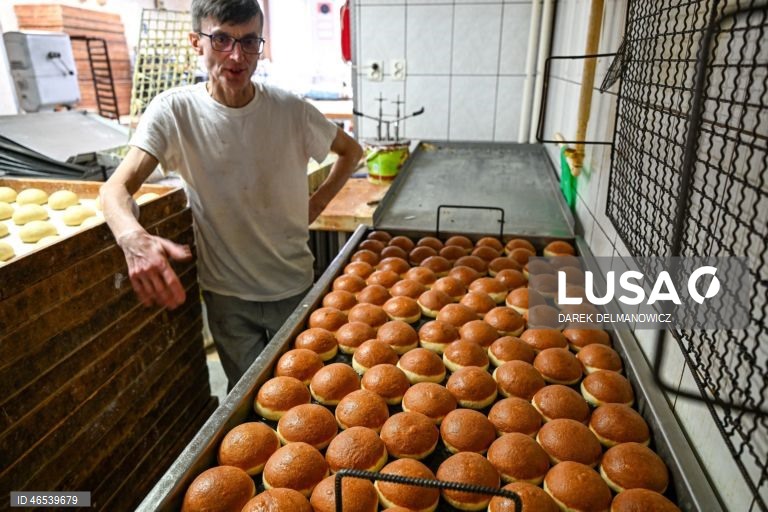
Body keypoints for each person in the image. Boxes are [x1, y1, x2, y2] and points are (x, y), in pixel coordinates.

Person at [101, 0, 363, 390]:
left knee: (309, 393)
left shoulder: (290, 111)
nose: (237, 56)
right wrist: (132, 237)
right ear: (196, 42)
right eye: (222, 39)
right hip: (227, 297)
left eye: (249, 41)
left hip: (293, 285)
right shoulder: (175, 113)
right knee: (248, 399)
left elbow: (351, 152)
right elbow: (114, 189)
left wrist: (317, 204)